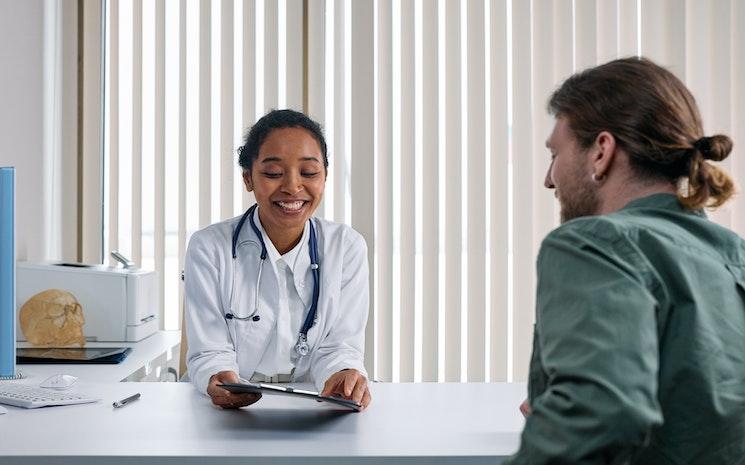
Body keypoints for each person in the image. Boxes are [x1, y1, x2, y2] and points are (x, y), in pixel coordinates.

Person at [505, 57, 745, 464]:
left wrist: (574, 411)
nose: (549, 178)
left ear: (601, 151)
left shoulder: (594, 242)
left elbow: (601, 413)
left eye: (555, 154)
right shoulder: (731, 252)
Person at [184, 109, 371, 410]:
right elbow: (209, 350)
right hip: (229, 412)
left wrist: (344, 375)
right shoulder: (209, 247)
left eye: (309, 173)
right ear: (248, 178)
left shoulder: (346, 247)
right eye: (272, 173)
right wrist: (219, 378)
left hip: (314, 406)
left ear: (325, 176)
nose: (292, 187)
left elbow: (340, 346)